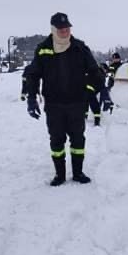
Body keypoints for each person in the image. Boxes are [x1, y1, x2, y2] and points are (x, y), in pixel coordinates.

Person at [25, 12, 104, 186]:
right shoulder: (43, 48)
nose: (64, 31)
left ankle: (78, 173)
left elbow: (96, 73)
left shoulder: (80, 48)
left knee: (78, 140)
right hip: (54, 105)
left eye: (67, 28)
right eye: (61, 29)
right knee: (56, 140)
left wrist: (88, 90)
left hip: (77, 103)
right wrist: (31, 97)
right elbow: (32, 74)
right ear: (53, 29)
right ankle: (59, 175)